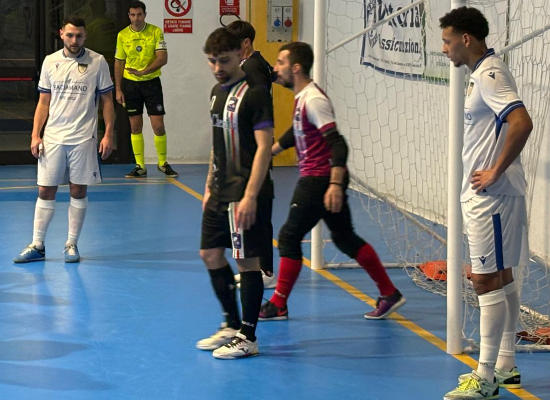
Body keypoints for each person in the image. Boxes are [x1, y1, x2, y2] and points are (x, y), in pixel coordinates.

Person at [259, 42, 406, 322]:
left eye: (280, 63)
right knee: (344, 238)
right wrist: (272, 151)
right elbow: (298, 131)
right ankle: (389, 293)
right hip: (320, 177)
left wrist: (335, 185)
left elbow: (338, 143)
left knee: (289, 237)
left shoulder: (314, 100)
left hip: (319, 178)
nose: (276, 68)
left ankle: (278, 304)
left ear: (296, 68)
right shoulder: (303, 97)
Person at [440, 7, 531, 400]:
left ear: (465, 39)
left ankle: (486, 377)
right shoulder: (481, 74)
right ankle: (506, 365)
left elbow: (522, 122)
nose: (443, 49)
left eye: (447, 41)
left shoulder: (491, 75)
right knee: (502, 275)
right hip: (492, 197)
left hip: (491, 197)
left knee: (484, 280)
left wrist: (494, 171)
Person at [195, 28, 274, 359]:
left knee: (246, 261)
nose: (217, 67)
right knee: (210, 253)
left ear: (239, 55)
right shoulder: (216, 92)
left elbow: (264, 147)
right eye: (212, 61)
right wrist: (208, 187)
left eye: (224, 60)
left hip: (245, 193)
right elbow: (218, 146)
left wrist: (251, 196)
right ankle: (229, 324)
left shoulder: (255, 94)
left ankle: (248, 337)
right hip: (219, 191)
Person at [13, 15, 114, 264]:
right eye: (70, 35)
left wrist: (108, 134)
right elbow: (43, 102)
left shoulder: (98, 62)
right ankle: (37, 245)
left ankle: (71, 244)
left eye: (79, 35)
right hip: (53, 137)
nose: (74, 40)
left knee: (78, 190)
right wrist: (35, 134)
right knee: (45, 189)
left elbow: (107, 101)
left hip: (83, 138)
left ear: (85, 36)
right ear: (61, 34)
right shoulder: (50, 61)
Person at [226, 20, 277, 289]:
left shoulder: (253, 67)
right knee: (255, 211)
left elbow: (258, 106)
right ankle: (258, 269)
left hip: (256, 148)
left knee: (259, 211)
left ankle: (265, 271)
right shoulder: (257, 63)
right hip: (250, 146)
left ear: (246, 42)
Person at [114, 1, 178, 178]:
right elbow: (119, 62)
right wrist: (118, 89)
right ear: (129, 16)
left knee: (158, 125)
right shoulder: (122, 35)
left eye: (139, 14)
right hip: (130, 85)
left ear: (145, 15)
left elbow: (162, 58)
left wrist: (144, 72)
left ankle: (162, 163)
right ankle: (140, 166)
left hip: (151, 83)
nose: (136, 18)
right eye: (133, 15)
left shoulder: (155, 32)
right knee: (135, 126)